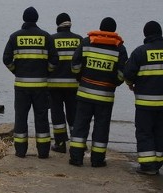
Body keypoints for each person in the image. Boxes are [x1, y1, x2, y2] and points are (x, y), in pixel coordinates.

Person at [69, 17, 127, 168]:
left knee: (80, 125)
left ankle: (76, 158)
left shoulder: (87, 42)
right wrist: (113, 83)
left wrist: (80, 78)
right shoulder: (119, 47)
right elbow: (122, 74)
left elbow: (75, 65)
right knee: (101, 127)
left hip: (84, 93)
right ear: (114, 31)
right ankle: (97, 160)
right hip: (105, 96)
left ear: (100, 29)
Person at [3, 6, 58, 159]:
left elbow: (6, 59)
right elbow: (55, 60)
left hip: (21, 86)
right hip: (41, 86)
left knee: (21, 117)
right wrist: (46, 72)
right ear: (36, 19)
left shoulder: (15, 37)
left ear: (24, 19)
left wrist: (15, 70)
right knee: (41, 118)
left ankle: (20, 151)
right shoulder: (46, 37)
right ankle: (43, 151)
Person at [123, 21, 163, 175]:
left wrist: (130, 84)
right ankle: (158, 162)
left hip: (145, 103)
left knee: (145, 132)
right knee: (160, 132)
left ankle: (147, 166)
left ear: (146, 34)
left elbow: (128, 74)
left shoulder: (140, 52)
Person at [47, 12, 83, 153]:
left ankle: (60, 143)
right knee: (74, 113)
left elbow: (48, 61)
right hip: (74, 85)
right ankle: (76, 143)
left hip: (54, 85)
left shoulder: (51, 39)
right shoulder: (79, 40)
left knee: (57, 114)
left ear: (57, 24)